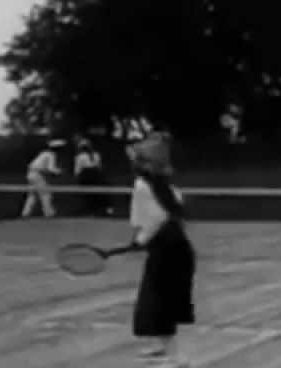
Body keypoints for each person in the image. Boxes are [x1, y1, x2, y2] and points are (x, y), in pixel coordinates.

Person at [126, 132, 195, 368]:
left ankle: (176, 357)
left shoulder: (143, 185)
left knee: (163, 302)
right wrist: (143, 238)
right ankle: (160, 348)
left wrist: (141, 239)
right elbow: (167, 215)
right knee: (156, 300)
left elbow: (156, 218)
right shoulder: (165, 186)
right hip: (175, 247)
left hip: (167, 248)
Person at [21, 139, 65, 218]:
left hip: (30, 173)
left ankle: (25, 213)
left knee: (32, 194)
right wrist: (59, 172)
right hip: (38, 175)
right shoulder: (52, 155)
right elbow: (51, 168)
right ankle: (49, 213)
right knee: (46, 194)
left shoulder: (43, 153)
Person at [74, 139, 113, 216]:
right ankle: (104, 210)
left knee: (89, 194)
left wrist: (78, 178)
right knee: (99, 192)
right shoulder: (96, 154)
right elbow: (99, 166)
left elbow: (77, 169)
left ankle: (92, 210)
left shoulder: (79, 156)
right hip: (96, 174)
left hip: (86, 175)